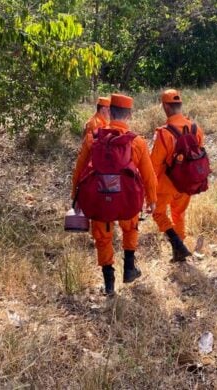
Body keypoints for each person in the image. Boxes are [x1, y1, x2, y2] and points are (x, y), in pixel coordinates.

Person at [71, 94, 157, 296]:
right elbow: (149, 175)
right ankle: (129, 268)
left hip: (100, 201)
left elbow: (79, 170)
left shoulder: (93, 138)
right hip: (127, 201)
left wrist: (75, 198)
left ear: (109, 112)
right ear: (129, 114)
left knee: (103, 237)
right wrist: (152, 200)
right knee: (130, 227)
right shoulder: (136, 142)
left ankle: (109, 285)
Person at [150, 89, 206, 262]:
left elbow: (155, 163)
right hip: (188, 182)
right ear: (180, 106)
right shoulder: (196, 129)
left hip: (167, 184)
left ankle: (177, 243)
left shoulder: (164, 133)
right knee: (179, 213)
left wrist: (150, 188)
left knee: (158, 213)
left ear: (166, 107)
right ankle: (179, 252)